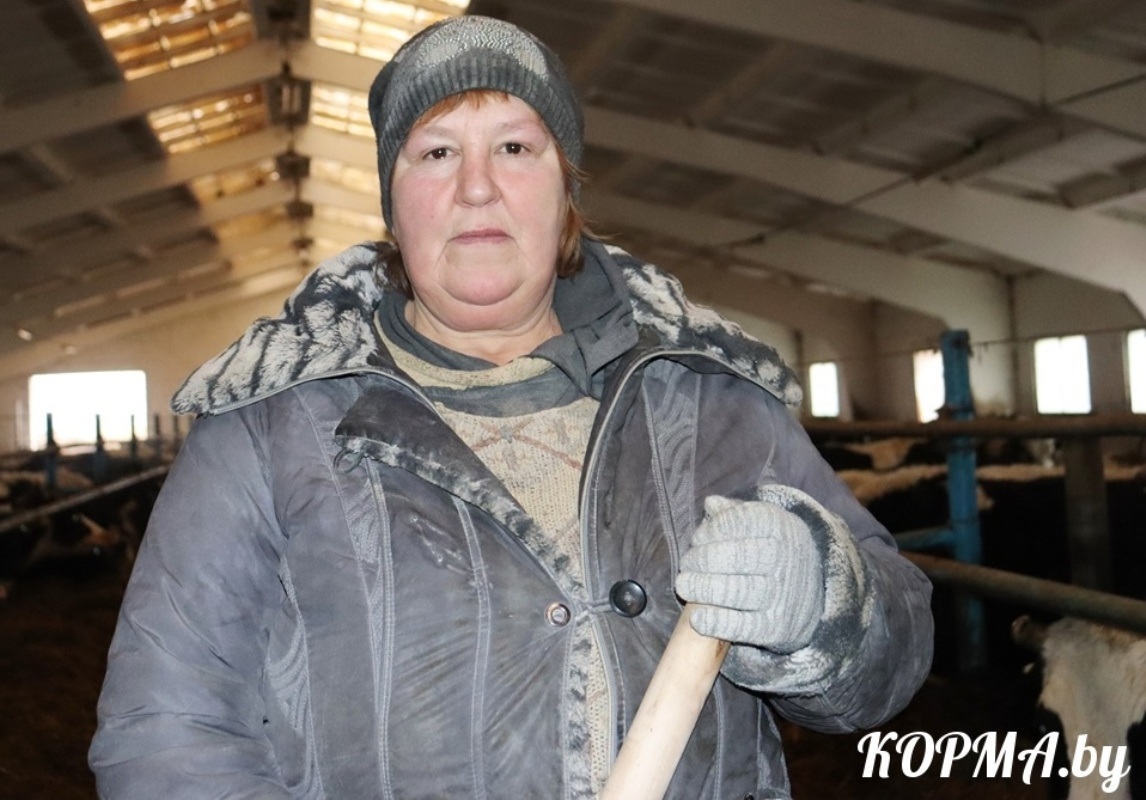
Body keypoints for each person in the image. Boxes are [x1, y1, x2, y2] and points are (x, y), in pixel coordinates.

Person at [89, 15, 933, 799]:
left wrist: (826, 604)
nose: (477, 187)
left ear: (566, 190)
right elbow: (163, 729)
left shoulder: (708, 396)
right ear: (392, 204)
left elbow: (893, 657)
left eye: (516, 147)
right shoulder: (271, 425)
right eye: (436, 152)